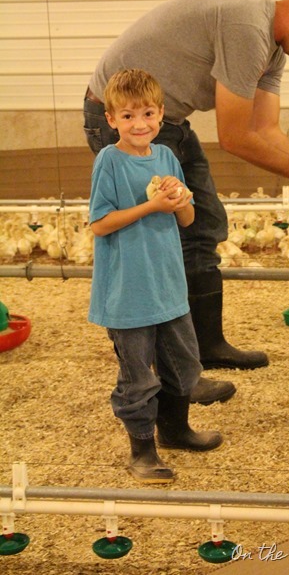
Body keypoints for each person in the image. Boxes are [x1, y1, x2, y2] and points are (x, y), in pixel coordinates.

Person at [83, 0, 289, 406]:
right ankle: (171, 373)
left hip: (167, 121)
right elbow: (234, 136)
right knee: (158, 240)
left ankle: (204, 348)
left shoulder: (273, 49)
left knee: (204, 223)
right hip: (126, 120)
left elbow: (265, 128)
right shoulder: (248, 30)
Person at [88, 69, 222, 483]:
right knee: (138, 376)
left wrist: (180, 201)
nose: (139, 124)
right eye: (128, 116)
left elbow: (188, 219)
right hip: (128, 291)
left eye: (147, 114)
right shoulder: (109, 161)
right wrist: (151, 206)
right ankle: (142, 450)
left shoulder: (166, 158)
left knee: (183, 362)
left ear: (161, 114)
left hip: (168, 286)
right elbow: (100, 224)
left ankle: (176, 430)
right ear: (111, 120)